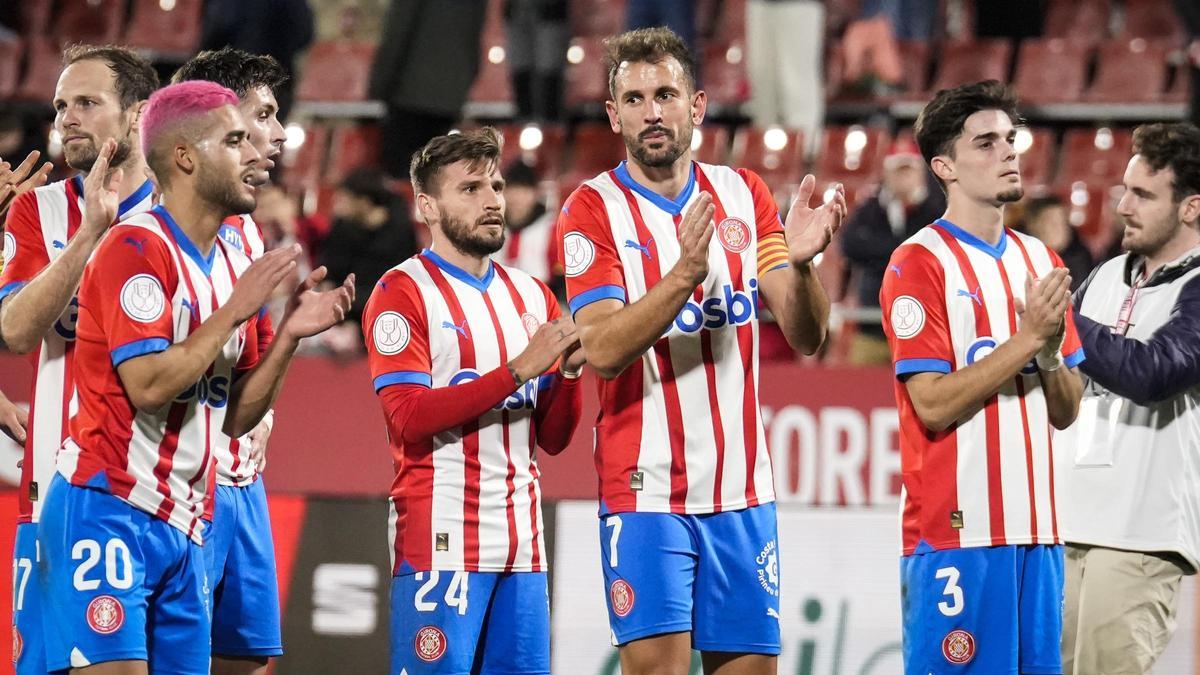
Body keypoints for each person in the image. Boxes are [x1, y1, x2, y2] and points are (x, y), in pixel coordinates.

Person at [37, 80, 353, 674]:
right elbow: (150, 385)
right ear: (185, 157)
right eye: (233, 140)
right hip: (108, 506)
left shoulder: (237, 259)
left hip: (187, 522)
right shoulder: (136, 247)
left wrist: (286, 336)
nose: (253, 152)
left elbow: (236, 415)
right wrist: (237, 308)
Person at [557, 27, 846, 674]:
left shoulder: (745, 194)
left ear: (697, 104)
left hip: (743, 491)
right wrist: (683, 276)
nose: (651, 111)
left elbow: (807, 336)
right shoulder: (592, 210)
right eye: (633, 99)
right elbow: (602, 348)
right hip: (646, 492)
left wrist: (801, 267)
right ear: (613, 114)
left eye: (665, 94)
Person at [363, 127, 585, 674]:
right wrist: (517, 371)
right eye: (470, 188)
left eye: (496, 185)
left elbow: (553, 440)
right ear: (427, 206)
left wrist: (572, 377)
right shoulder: (401, 291)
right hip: (440, 541)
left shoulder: (532, 295)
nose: (491, 200)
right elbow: (409, 417)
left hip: (522, 544)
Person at [880, 80, 1085, 674]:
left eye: (1010, 139)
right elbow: (934, 405)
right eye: (987, 143)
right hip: (958, 537)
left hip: (1040, 535)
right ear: (944, 165)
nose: (1009, 152)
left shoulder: (1039, 260)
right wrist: (1026, 340)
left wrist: (1047, 352)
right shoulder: (918, 263)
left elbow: (1067, 409)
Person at [0, 45, 160, 675]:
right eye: (62, 105)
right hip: (59, 496)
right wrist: (92, 233)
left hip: (170, 497)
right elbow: (14, 329)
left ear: (138, 114)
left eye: (88, 103)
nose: (66, 118)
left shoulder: (188, 213)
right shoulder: (37, 210)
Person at [1055, 122, 1200, 675]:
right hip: (1068, 520)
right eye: (1124, 191)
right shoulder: (1107, 274)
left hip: (1141, 533)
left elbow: (1156, 373)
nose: (1123, 206)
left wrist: (1060, 321)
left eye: (1142, 195)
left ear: (1190, 208)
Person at [171, 46, 292, 674]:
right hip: (181, 486)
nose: (277, 134)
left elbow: (255, 351)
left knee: (246, 661)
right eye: (264, 115)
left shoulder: (245, 222)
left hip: (244, 479)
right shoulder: (150, 224)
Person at [840, 137, 945, 365]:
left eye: (909, 170)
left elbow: (939, 252)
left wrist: (882, 255)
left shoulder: (938, 207)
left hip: (926, 325)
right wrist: (905, 253)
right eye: (899, 170)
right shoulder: (872, 207)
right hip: (872, 325)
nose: (904, 177)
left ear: (921, 173)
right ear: (887, 173)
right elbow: (850, 245)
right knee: (859, 385)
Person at [319, 167, 418, 327]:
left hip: (381, 313)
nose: (337, 202)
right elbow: (329, 271)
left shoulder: (400, 232)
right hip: (341, 308)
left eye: (345, 198)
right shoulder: (342, 227)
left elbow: (399, 286)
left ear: (364, 202)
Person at [497, 159, 556, 286]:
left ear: (536, 193)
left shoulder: (551, 230)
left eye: (524, 191)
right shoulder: (491, 227)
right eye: (512, 190)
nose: (517, 198)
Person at [1022, 194, 1095, 290]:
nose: (1059, 228)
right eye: (1051, 222)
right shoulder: (1015, 257)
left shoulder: (1082, 259)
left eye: (1063, 221)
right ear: (1032, 225)